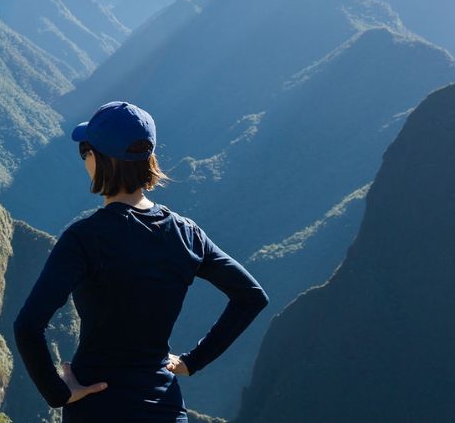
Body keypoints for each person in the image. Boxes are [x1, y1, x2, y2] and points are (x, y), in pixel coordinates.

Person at [13, 101, 269, 422]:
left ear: (100, 159)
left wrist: (59, 392)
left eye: (85, 151)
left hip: (98, 407)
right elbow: (251, 296)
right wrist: (194, 361)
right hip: (165, 408)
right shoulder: (186, 234)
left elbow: (27, 326)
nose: (84, 160)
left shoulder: (85, 238)